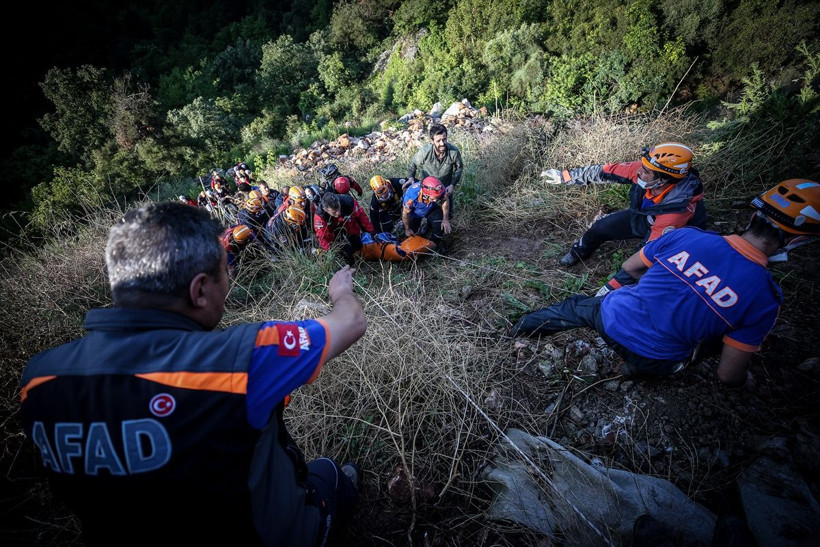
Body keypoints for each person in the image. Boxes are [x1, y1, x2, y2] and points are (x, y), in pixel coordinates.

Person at [19, 201, 367, 546]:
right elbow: (350, 323)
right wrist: (341, 292)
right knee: (331, 475)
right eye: (224, 274)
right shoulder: (243, 356)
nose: (228, 284)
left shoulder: (37, 378)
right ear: (199, 290)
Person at [510, 179, 820, 387]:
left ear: (753, 218)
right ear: (799, 241)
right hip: (659, 358)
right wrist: (744, 381)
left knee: (574, 307)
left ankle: (518, 328)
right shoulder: (766, 299)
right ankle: (635, 371)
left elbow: (630, 268)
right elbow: (727, 375)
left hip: (609, 317)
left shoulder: (687, 236)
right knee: (717, 340)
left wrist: (607, 294)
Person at [541, 142, 707, 267]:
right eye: (643, 166)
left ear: (663, 179)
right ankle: (577, 252)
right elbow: (605, 171)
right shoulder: (644, 172)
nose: (639, 171)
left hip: (674, 236)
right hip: (643, 215)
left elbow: (650, 253)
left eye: (646, 171)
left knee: (651, 264)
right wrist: (565, 177)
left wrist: (615, 283)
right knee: (600, 227)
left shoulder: (677, 211)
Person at [406, 123, 464, 215]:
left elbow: (459, 167)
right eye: (438, 141)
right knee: (425, 214)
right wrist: (411, 177)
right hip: (428, 190)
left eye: (444, 139)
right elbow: (413, 163)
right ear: (432, 141)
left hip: (445, 188)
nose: (442, 143)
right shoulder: (424, 152)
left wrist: (452, 184)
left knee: (449, 214)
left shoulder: (453, 152)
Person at [314, 192, 375, 266]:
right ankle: (350, 265)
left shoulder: (348, 202)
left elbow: (361, 216)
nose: (338, 212)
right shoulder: (320, 217)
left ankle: (358, 255)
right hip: (332, 230)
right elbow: (323, 237)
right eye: (334, 211)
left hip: (347, 224)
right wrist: (330, 252)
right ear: (326, 210)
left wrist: (371, 230)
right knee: (345, 252)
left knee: (358, 244)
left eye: (338, 208)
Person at [402, 176, 451, 254]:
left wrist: (445, 219)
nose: (435, 200)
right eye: (433, 198)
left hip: (430, 209)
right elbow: (405, 213)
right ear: (425, 193)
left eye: (437, 198)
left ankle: (433, 246)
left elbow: (445, 200)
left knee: (439, 223)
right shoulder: (411, 196)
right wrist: (407, 229)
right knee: (410, 235)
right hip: (414, 213)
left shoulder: (439, 189)